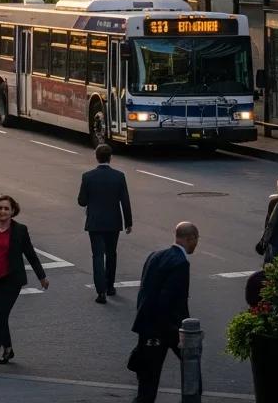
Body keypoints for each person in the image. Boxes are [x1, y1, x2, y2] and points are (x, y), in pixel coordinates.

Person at [0, 194, 48, 369]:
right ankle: (8, 348)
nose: (2, 211)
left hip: (11, 280)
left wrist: (41, 276)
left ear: (13, 211)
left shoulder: (20, 230)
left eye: (6, 208)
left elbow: (30, 254)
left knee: (1, 315)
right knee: (0, 315)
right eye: (0, 208)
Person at [131, 221, 199, 403]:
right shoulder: (181, 264)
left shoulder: (155, 255)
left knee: (147, 383)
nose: (196, 244)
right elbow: (174, 301)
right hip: (166, 329)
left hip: (147, 326)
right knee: (192, 367)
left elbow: (144, 292)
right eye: (196, 240)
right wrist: (182, 330)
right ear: (190, 238)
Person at [77, 143, 133, 303]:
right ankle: (110, 287)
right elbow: (125, 201)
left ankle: (100, 292)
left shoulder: (87, 176)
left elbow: (81, 201)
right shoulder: (119, 176)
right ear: (110, 157)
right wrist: (128, 222)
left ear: (96, 156)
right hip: (113, 222)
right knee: (111, 254)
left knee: (97, 256)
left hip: (94, 222)